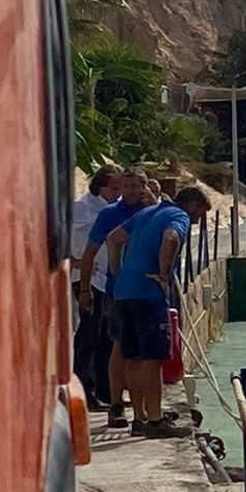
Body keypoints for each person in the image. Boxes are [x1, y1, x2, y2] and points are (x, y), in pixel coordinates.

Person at [105, 184, 208, 438]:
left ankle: (139, 418)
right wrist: (164, 274)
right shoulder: (178, 216)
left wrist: (118, 271)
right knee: (153, 359)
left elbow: (113, 238)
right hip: (148, 295)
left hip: (124, 292)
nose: (198, 220)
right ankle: (155, 420)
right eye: (199, 214)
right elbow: (171, 238)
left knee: (133, 357)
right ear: (191, 205)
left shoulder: (146, 212)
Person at [79, 165, 156, 427]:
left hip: (150, 292)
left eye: (137, 186)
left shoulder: (152, 212)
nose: (132, 191)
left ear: (145, 187)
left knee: (147, 354)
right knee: (120, 348)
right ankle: (116, 404)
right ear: (120, 188)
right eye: (127, 186)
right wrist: (85, 288)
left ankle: (143, 410)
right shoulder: (109, 214)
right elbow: (90, 251)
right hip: (117, 291)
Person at [70, 166, 121, 406]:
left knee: (104, 336)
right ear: (100, 186)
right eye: (114, 188)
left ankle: (105, 389)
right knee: (88, 334)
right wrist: (79, 263)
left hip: (104, 278)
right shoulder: (83, 207)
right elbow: (69, 238)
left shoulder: (112, 209)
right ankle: (84, 388)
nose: (117, 193)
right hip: (85, 277)